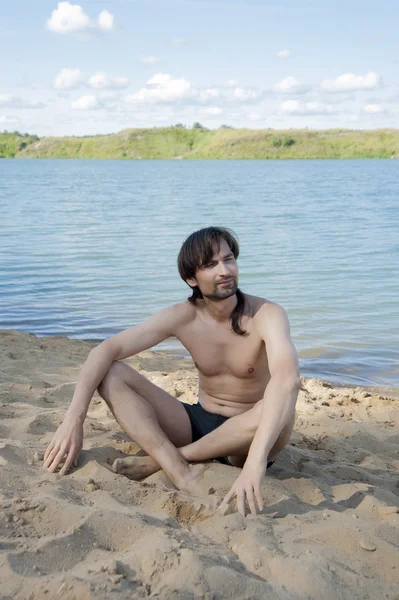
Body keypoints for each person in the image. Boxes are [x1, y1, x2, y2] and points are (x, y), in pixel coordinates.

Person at [44, 227, 300, 517]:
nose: (225, 270)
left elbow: (286, 377)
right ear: (191, 278)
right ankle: (178, 470)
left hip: (250, 436)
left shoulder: (267, 314)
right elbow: (105, 350)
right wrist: (73, 420)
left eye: (229, 260)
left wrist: (255, 463)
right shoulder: (184, 316)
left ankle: (162, 460)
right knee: (112, 373)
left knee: (280, 404)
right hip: (197, 422)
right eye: (211, 265)